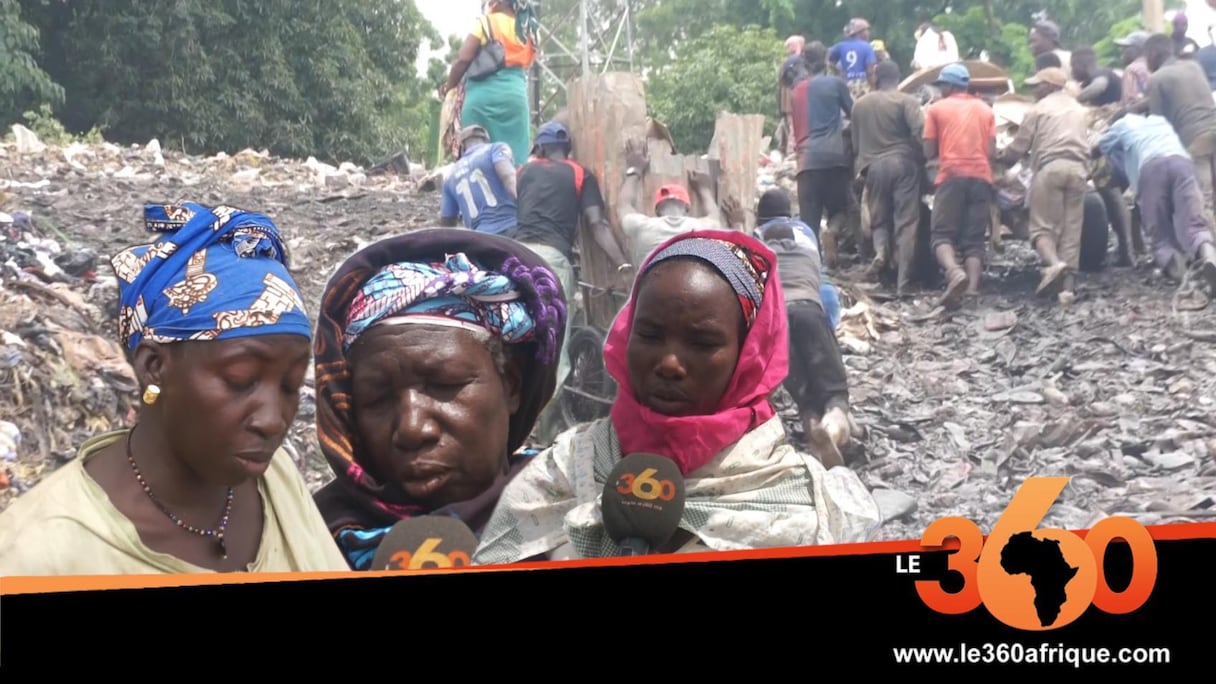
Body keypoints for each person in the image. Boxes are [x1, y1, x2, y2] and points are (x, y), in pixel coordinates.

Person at [471, 230, 884, 564]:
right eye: (649, 335)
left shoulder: (803, 503)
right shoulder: (568, 466)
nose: (669, 362)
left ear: (749, 356)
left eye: (703, 343)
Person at [0, 202, 350, 576]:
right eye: (240, 379)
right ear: (154, 367)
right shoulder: (39, 555)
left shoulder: (275, 479)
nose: (273, 420)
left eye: (290, 385)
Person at [311, 229, 568, 570]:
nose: (412, 429)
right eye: (377, 398)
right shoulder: (307, 538)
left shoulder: (578, 509)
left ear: (511, 385)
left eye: (443, 385)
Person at [509, 121, 629, 446]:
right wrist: (622, 262)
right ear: (568, 149)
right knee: (555, 349)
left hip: (517, 256)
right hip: (551, 261)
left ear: (540, 148)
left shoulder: (523, 172)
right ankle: (547, 436)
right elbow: (596, 224)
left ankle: (513, 425)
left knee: (519, 340)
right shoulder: (579, 173)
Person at [755, 221, 854, 466]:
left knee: (806, 399)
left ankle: (814, 433)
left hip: (778, 323)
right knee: (835, 393)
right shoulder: (808, 253)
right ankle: (832, 429)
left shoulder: (759, 259)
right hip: (809, 312)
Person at [997, 68, 1093, 306]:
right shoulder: (1080, 110)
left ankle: (1054, 264)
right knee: (1071, 231)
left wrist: (999, 158)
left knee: (1041, 228)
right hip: (1078, 171)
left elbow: (1018, 149)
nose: (1034, 90)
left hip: (1050, 170)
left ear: (1049, 86)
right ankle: (1066, 290)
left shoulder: (1038, 109)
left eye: (1037, 85)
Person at [1096, 113, 1216, 290]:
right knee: (1195, 225)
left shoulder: (1121, 125)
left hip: (1151, 169)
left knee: (1161, 236)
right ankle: (1210, 259)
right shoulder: (1158, 120)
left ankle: (1185, 281)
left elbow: (1097, 149)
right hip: (1182, 163)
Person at [923, 63, 997, 307]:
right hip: (981, 176)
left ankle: (954, 272)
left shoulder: (936, 109)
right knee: (974, 238)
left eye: (942, 85)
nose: (940, 89)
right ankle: (972, 289)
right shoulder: (985, 109)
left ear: (950, 86)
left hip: (951, 175)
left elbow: (928, 150)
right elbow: (991, 151)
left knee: (941, 234)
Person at [850, 60, 926, 296]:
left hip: (872, 168)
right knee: (906, 222)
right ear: (898, 77)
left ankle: (881, 251)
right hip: (903, 165)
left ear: (875, 79)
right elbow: (920, 133)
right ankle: (903, 282)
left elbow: (855, 145)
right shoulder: (907, 101)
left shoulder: (860, 105)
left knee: (879, 219)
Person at [1133, 33, 1216, 235]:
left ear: (1153, 54)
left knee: (1202, 200)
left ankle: (1210, 247)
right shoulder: (1193, 66)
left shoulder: (1157, 79)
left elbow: (1158, 122)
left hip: (1195, 139)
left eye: (1146, 57)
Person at [439, 0, 539, 166]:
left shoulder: (486, 22)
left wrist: (449, 88)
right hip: (515, 100)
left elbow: (463, 59)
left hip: (481, 102)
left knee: (476, 162)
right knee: (515, 163)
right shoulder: (528, 30)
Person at [792, 42, 856, 267]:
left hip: (806, 162)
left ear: (805, 63)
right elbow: (855, 114)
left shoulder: (796, 91)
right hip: (834, 157)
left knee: (808, 223)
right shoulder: (836, 84)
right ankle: (833, 230)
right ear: (827, 59)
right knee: (842, 210)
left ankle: (814, 270)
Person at [617, 140, 721, 271]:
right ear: (687, 208)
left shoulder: (643, 227)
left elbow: (623, 205)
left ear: (657, 211)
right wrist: (704, 189)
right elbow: (714, 216)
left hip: (652, 282)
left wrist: (634, 169)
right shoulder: (700, 228)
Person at [440, 125, 519, 236]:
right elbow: (509, 178)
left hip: (480, 238)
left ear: (462, 147)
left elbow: (447, 222)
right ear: (486, 141)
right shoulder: (496, 149)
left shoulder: (449, 176)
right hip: (512, 228)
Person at [829, 18, 879, 99]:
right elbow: (870, 72)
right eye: (867, 30)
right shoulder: (867, 47)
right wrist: (874, 88)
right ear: (860, 32)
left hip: (846, 85)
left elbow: (828, 58)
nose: (868, 33)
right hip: (863, 86)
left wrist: (836, 74)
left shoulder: (840, 46)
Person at [777, 36, 808, 156]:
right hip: (793, 101)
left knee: (791, 127)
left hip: (787, 102)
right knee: (794, 128)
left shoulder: (785, 63)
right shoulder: (795, 63)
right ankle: (792, 152)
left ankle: (789, 151)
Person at [1116, 30, 1152, 106]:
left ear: (1137, 49)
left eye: (1126, 47)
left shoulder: (1131, 70)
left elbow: (1129, 101)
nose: (1122, 51)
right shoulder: (1154, 66)